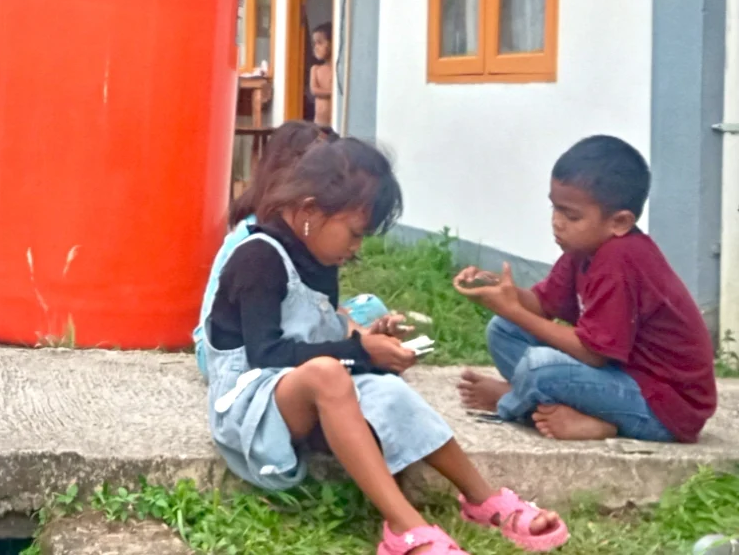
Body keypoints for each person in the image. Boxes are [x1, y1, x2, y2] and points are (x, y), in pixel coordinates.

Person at [205, 139, 568, 555]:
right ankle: (403, 527)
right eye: (355, 234)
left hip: (309, 391)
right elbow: (266, 357)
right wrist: (359, 353)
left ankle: (482, 498)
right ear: (308, 211)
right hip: (251, 405)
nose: (356, 248)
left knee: (388, 390)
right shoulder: (258, 258)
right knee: (328, 373)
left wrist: (370, 344)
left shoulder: (318, 256)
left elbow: (316, 338)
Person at [456, 136, 717, 444]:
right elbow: (541, 303)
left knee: (539, 366)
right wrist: (502, 291)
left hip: (664, 407)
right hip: (620, 377)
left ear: (619, 222)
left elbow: (593, 354)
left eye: (571, 215)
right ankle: (554, 403)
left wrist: (514, 309)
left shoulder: (621, 259)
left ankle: (519, 401)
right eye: (555, 208)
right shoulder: (583, 249)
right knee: (504, 329)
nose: (557, 223)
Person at [194, 121, 336, 374]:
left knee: (368, 308)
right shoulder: (254, 238)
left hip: (273, 326)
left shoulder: (307, 231)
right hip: (226, 349)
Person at [310, 22, 333, 127]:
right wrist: (333, 93)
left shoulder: (337, 70)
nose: (316, 47)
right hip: (319, 123)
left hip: (333, 124)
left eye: (320, 43)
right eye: (314, 43)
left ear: (332, 43)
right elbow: (314, 90)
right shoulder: (316, 69)